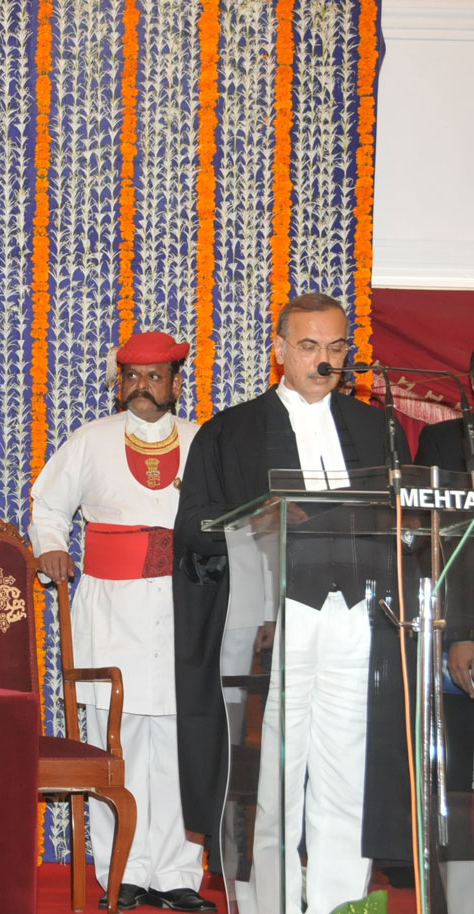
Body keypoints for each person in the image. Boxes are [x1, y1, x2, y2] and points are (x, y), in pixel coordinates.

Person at [173, 293, 412, 914]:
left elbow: (409, 521)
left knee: (346, 777)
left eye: (336, 348)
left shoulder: (376, 427)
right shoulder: (230, 430)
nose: (323, 360)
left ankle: (339, 904)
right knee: (268, 780)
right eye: (309, 346)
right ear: (278, 350)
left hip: (360, 621)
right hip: (274, 622)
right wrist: (257, 522)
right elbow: (193, 525)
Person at [31, 331, 213, 913]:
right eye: (131, 376)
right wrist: (51, 547)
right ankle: (124, 872)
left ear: (176, 383)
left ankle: (178, 873)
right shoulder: (91, 440)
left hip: (184, 613)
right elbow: (49, 506)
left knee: (180, 744)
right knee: (118, 746)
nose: (142, 387)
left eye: (155, 376)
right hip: (111, 612)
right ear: (119, 382)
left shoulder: (202, 442)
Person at [415, 388, 474, 912]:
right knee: (458, 779)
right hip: (466, 636)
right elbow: (435, 542)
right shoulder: (443, 442)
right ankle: (460, 899)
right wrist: (459, 630)